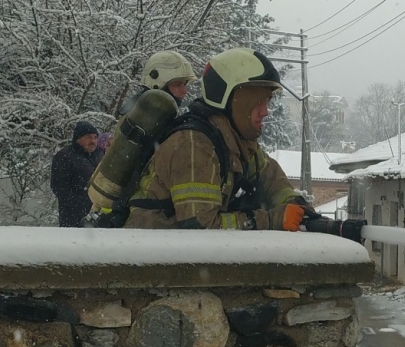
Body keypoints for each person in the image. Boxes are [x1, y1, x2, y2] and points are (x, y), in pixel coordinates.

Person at [123, 47, 312, 230]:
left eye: (267, 101)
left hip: (180, 257)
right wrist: (270, 220)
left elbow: (273, 182)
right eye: (258, 102)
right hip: (148, 254)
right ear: (234, 101)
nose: (266, 112)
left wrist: (301, 211)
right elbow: (201, 225)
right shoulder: (192, 145)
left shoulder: (239, 143)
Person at [51, 121, 103, 227]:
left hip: (98, 215)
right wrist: (79, 204)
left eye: (95, 137)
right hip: (73, 217)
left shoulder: (99, 156)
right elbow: (58, 186)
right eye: (88, 137)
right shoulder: (65, 156)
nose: (93, 141)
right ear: (78, 139)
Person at [119, 50, 198, 115]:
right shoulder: (147, 121)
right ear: (157, 84)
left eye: (184, 84)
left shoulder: (153, 116)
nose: (185, 91)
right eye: (177, 84)